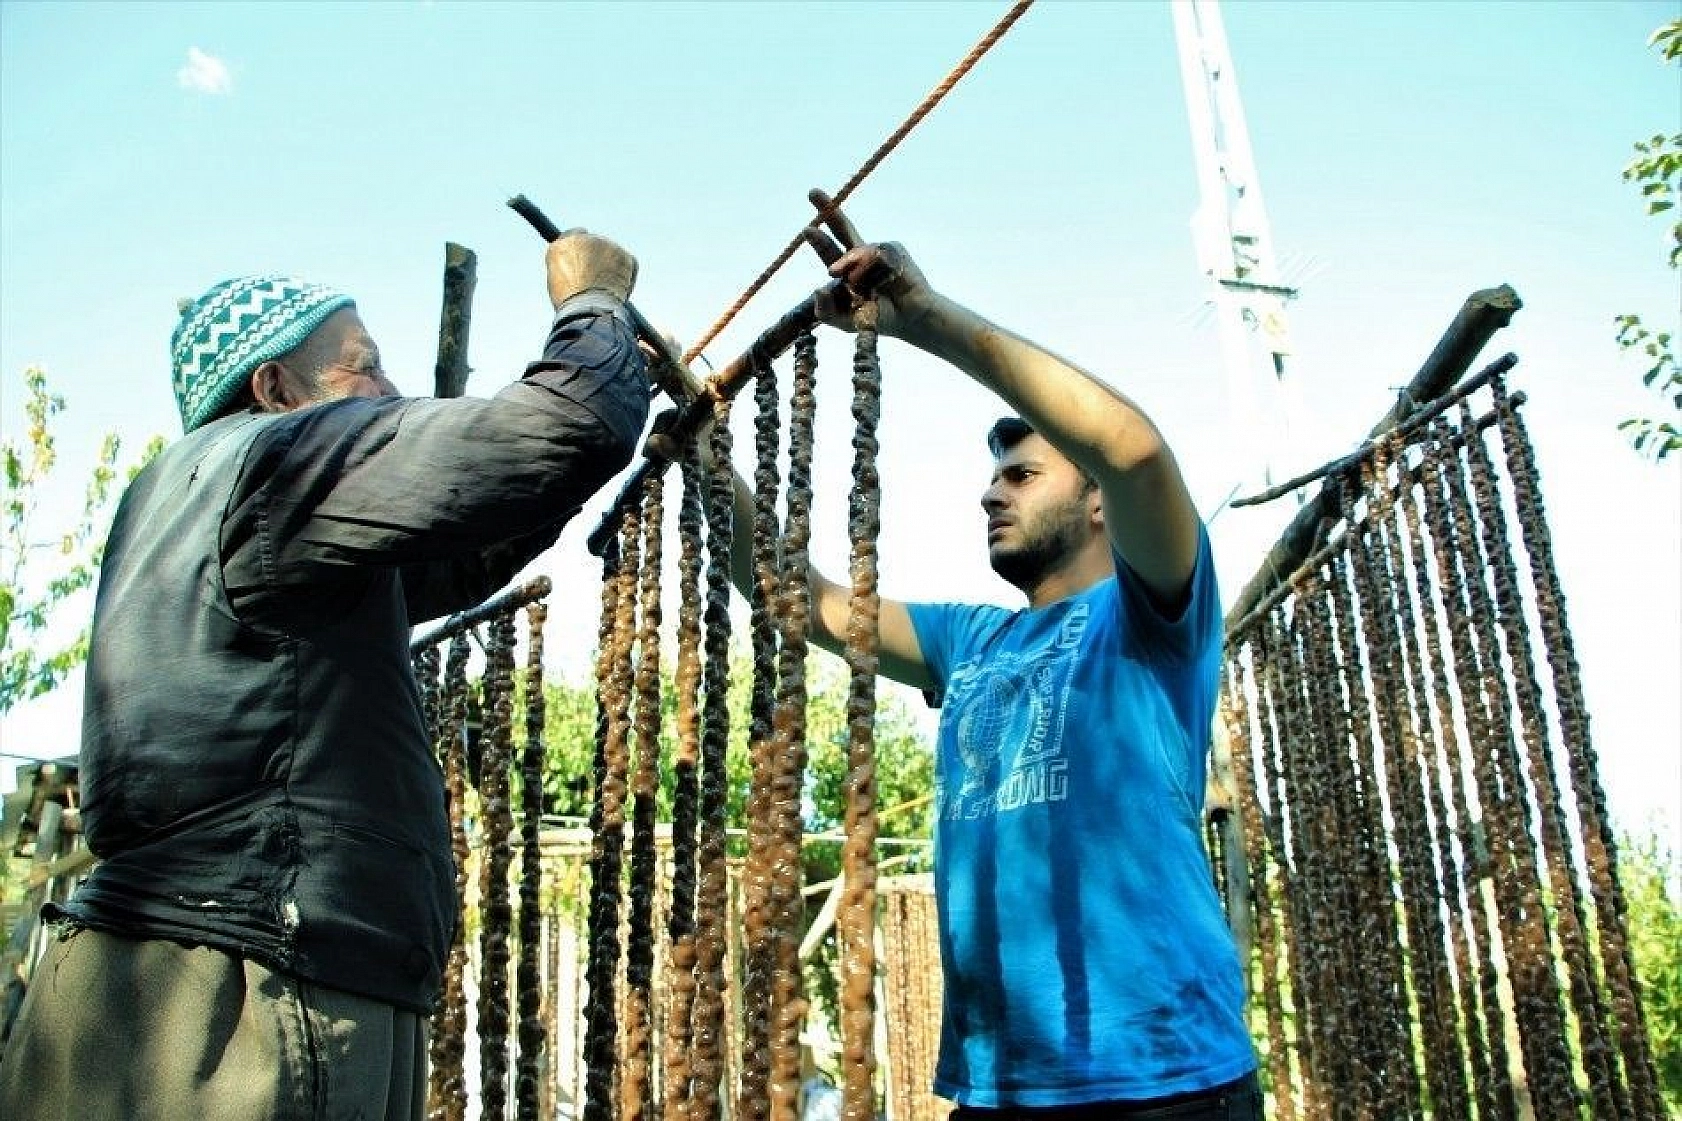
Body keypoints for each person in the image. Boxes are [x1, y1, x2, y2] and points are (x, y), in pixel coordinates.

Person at [0, 231, 651, 1121]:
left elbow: (465, 539)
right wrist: (593, 306)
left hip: (162, 986)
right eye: (362, 370)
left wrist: (601, 405)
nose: (390, 395)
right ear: (275, 389)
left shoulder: (187, 502)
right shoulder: (274, 464)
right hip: (243, 998)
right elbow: (562, 428)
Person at [724, 227, 1260, 1118]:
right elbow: (799, 601)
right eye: (993, 477)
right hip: (997, 1083)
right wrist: (709, 456)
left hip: (1164, 1081)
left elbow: (1131, 448)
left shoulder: (1154, 612)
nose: (989, 492)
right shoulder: (970, 641)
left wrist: (921, 317)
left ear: (1095, 499)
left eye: (1021, 473)